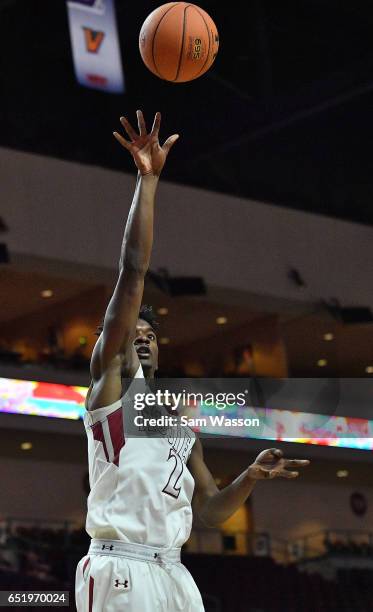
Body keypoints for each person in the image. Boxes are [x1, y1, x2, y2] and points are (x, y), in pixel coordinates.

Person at [75, 110, 310, 611]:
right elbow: (134, 269)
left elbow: (207, 511)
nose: (140, 339)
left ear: (160, 347)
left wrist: (248, 477)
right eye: (129, 333)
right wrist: (148, 180)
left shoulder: (180, 425)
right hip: (122, 566)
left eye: (149, 334)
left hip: (175, 572)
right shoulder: (111, 391)